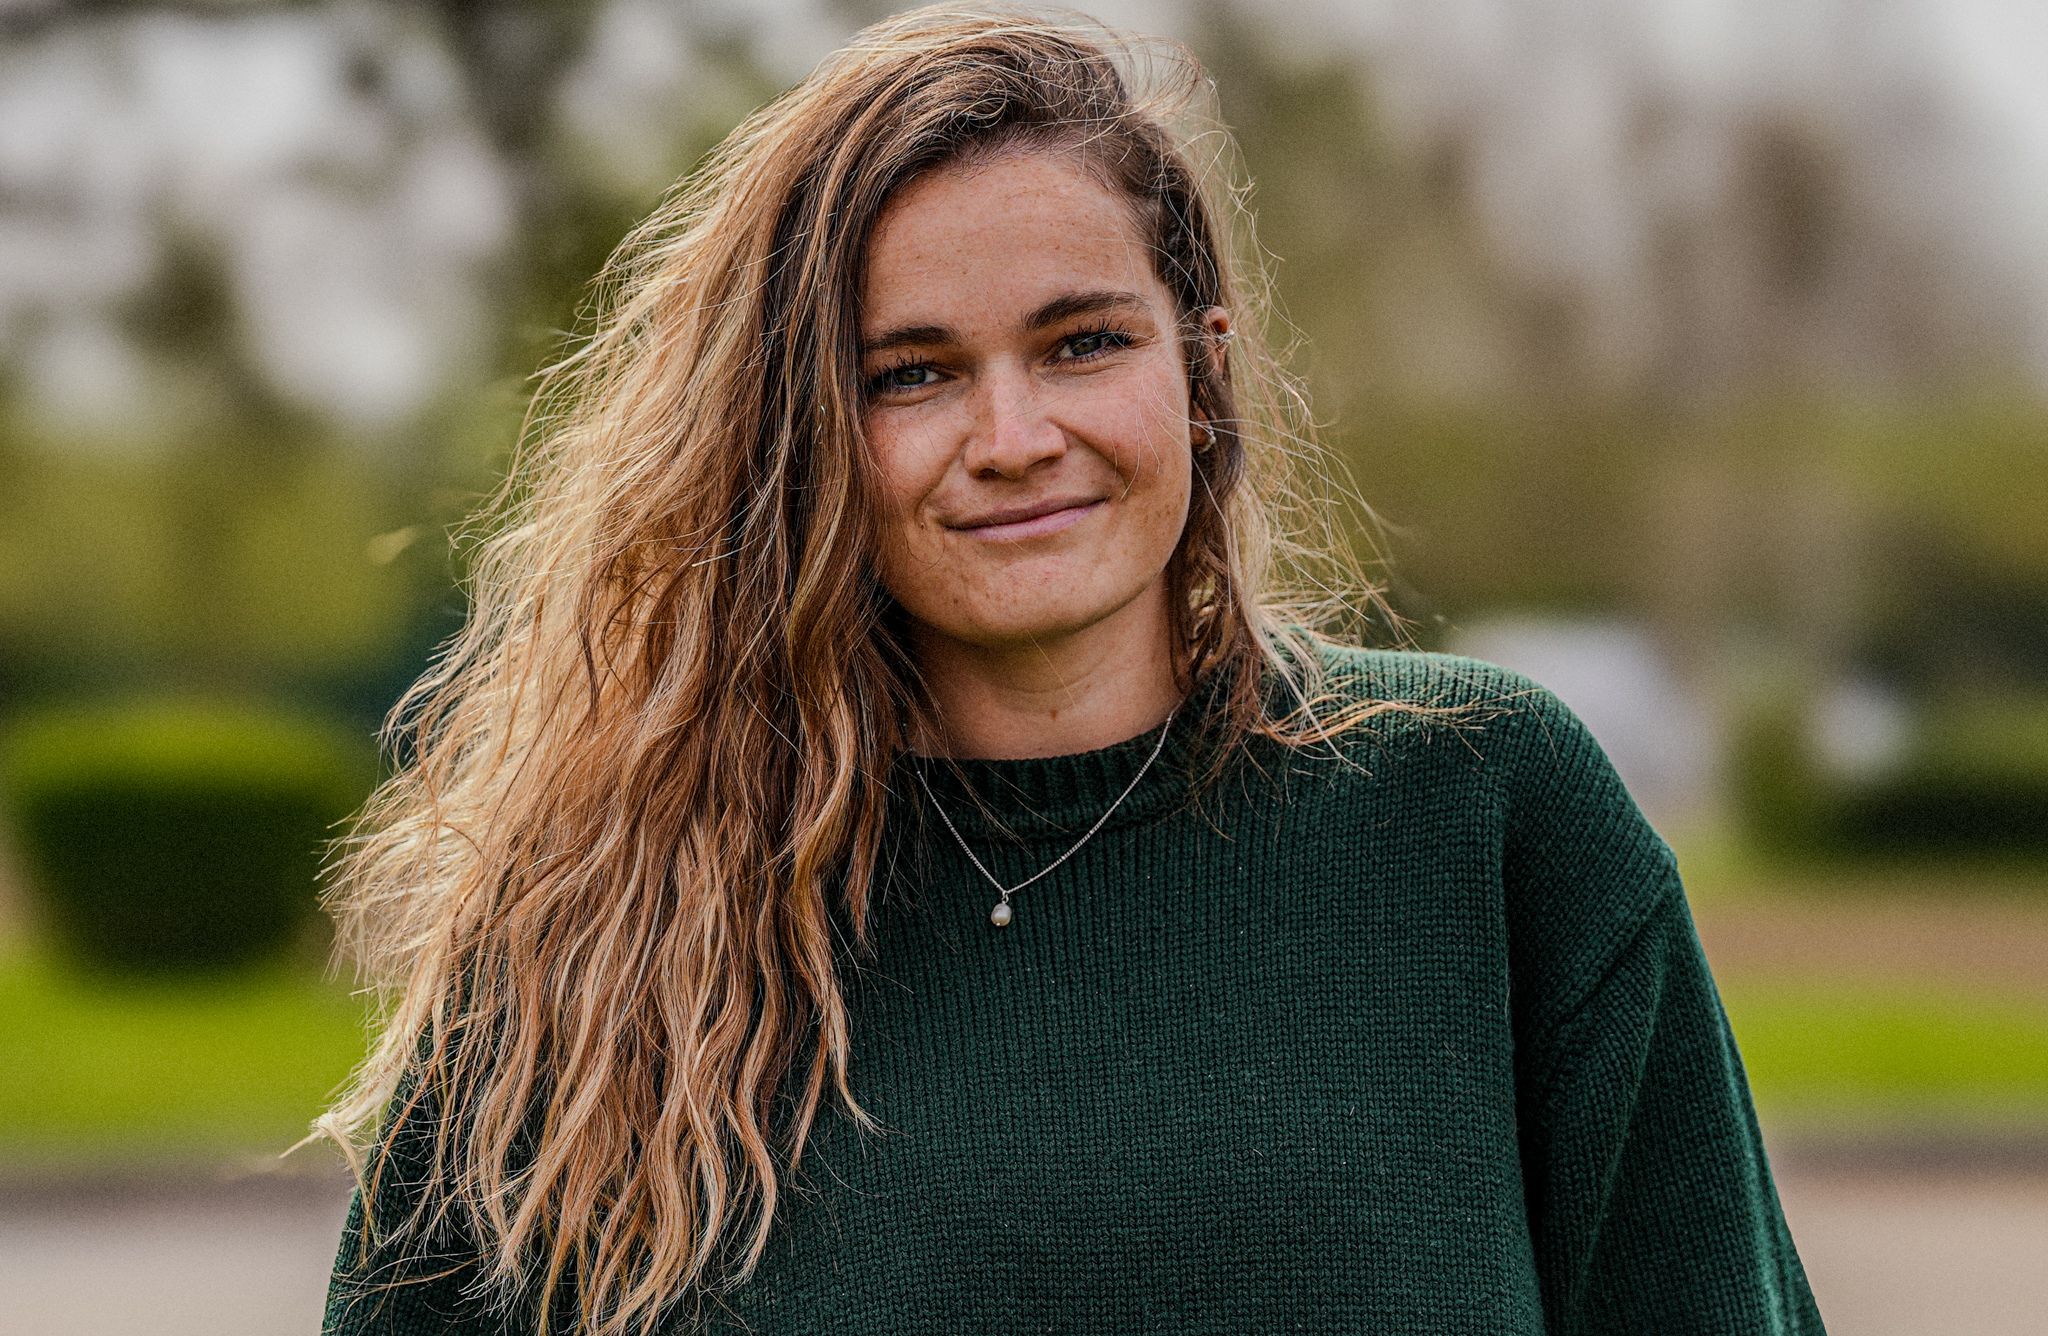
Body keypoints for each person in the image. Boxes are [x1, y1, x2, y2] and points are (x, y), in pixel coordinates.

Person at [315, 6, 1828, 1335]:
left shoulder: (1483, 812)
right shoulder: (610, 910)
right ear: (799, 438)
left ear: (1205, 365)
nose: (1014, 436)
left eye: (1082, 343)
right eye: (909, 373)